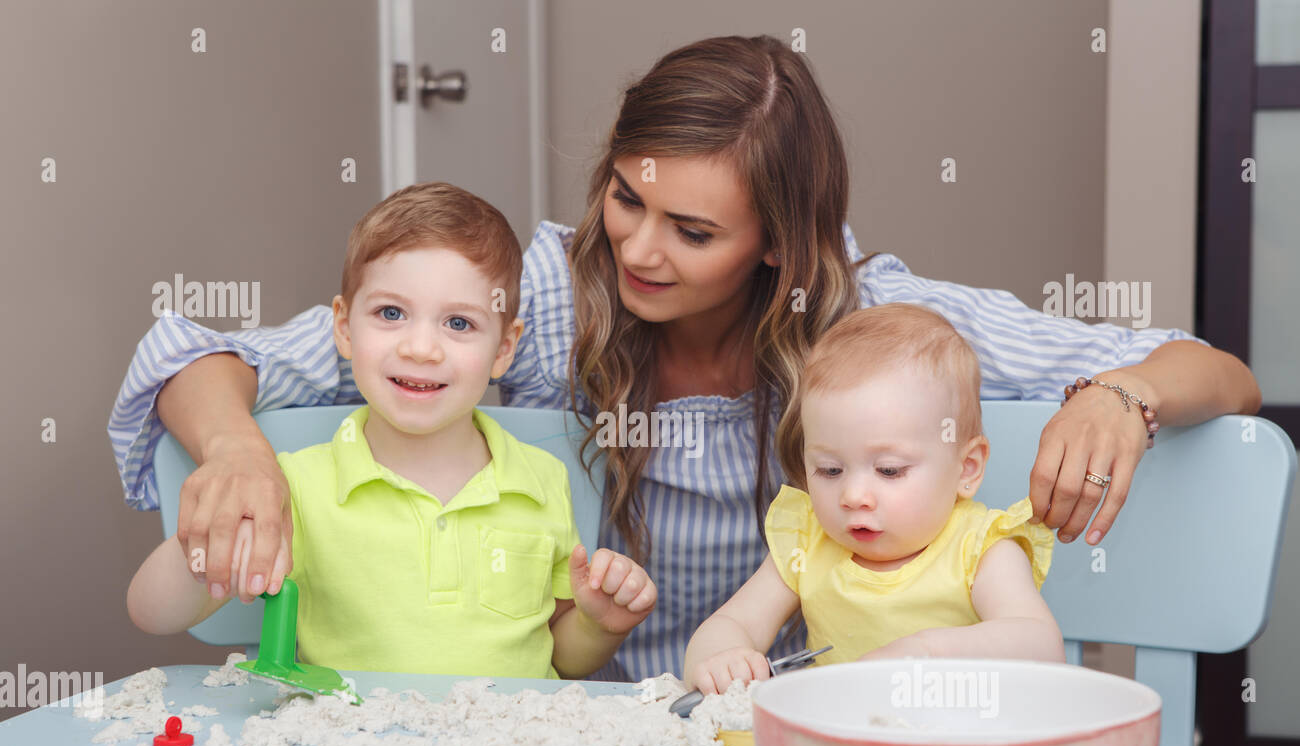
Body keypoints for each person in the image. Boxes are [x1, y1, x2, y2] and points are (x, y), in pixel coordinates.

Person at [109, 35, 1261, 684]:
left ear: (780, 242)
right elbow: (205, 352)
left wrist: (1123, 395)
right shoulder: (537, 298)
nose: (638, 249)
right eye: (625, 198)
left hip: (803, 721)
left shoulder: (869, 316)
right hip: (593, 720)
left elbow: (1212, 367)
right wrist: (235, 445)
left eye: (695, 233)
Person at [126, 183, 656, 679]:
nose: (420, 348)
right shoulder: (292, 487)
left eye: (458, 324)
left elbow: (559, 659)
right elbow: (151, 613)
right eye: (390, 313)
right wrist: (210, 549)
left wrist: (597, 624)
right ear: (343, 327)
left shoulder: (544, 480)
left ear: (504, 349)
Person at [683, 305, 1063, 694]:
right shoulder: (808, 541)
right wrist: (723, 658)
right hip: (839, 745)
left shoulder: (981, 548)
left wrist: (928, 653)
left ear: (965, 468)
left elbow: (1041, 646)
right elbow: (734, 624)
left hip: (954, 743)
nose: (852, 496)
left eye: (889, 471)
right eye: (830, 470)